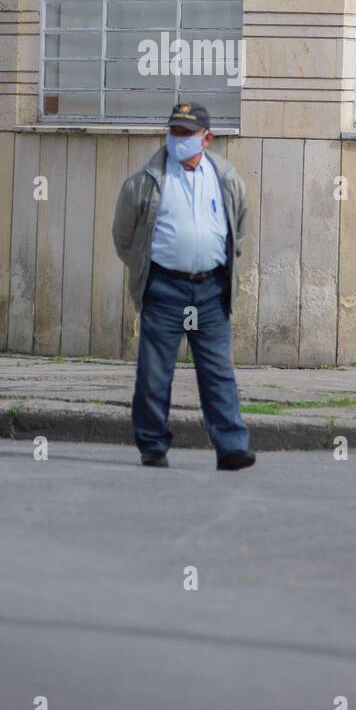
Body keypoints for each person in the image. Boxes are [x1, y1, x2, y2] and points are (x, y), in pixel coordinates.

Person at [112, 101, 255, 471]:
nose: (178, 139)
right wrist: (150, 269)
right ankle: (152, 445)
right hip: (164, 288)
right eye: (174, 131)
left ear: (206, 138)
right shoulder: (147, 180)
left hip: (210, 291)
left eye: (186, 133)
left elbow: (237, 230)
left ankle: (232, 448)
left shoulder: (225, 177)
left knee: (218, 371)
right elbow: (124, 238)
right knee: (155, 371)